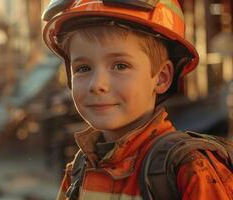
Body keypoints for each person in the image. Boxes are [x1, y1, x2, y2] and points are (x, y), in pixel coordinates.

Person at [41, 0, 233, 199]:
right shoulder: (79, 170)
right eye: (83, 68)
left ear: (161, 77)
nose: (97, 84)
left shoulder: (189, 169)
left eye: (120, 66)